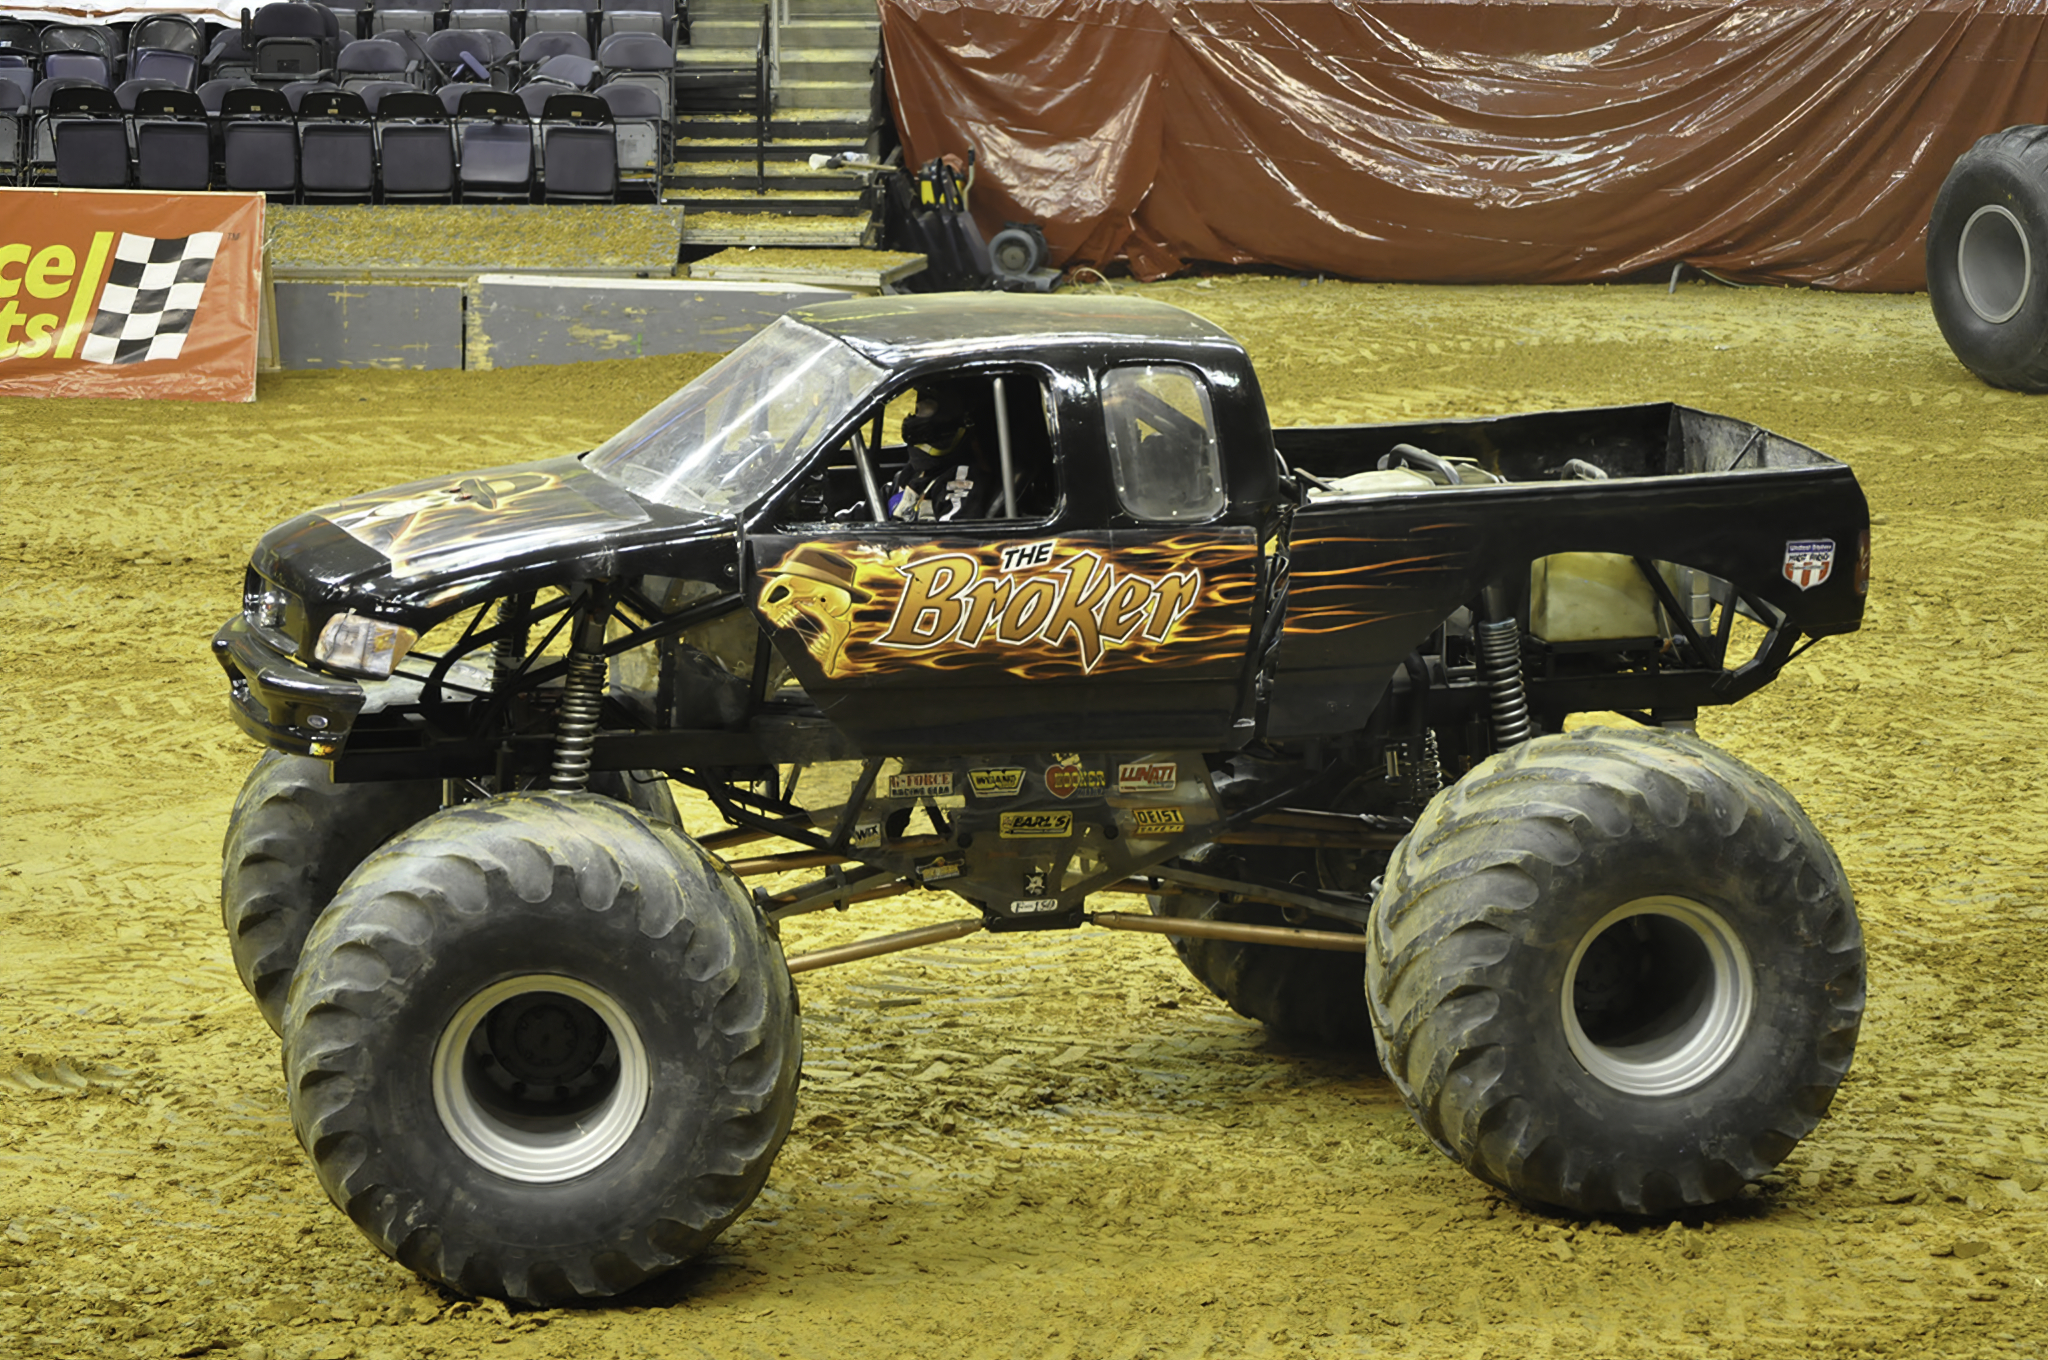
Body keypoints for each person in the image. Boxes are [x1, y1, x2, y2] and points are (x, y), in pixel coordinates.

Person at [887, 384, 992, 522]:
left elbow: (951, 538)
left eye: (925, 409)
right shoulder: (910, 473)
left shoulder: (961, 482)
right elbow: (868, 509)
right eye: (917, 410)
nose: (915, 417)